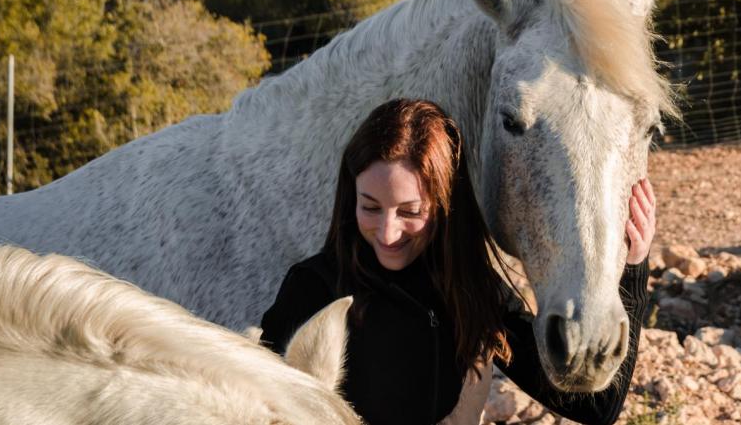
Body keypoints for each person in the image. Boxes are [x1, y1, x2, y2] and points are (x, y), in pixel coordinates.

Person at [260, 99, 655, 425]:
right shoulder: (312, 287)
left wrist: (633, 268)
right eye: (370, 207)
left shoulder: (473, 290)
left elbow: (596, 409)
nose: (387, 232)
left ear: (446, 207)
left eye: (410, 212)